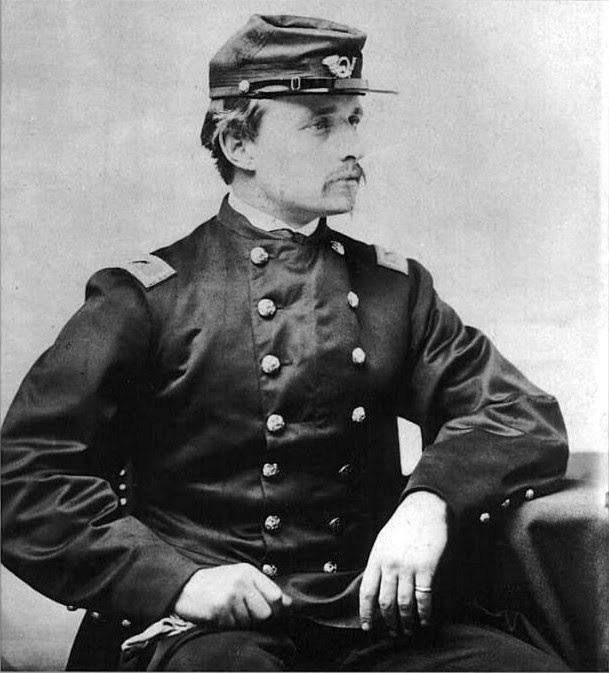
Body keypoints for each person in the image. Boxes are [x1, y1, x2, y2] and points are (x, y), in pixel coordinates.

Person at [1, 14, 570, 672]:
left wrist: (430, 499)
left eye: (353, 119)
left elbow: (517, 412)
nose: (354, 146)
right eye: (321, 124)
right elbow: (26, 476)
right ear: (239, 142)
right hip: (198, 630)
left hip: (366, 618)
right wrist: (178, 582)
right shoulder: (147, 298)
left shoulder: (395, 291)